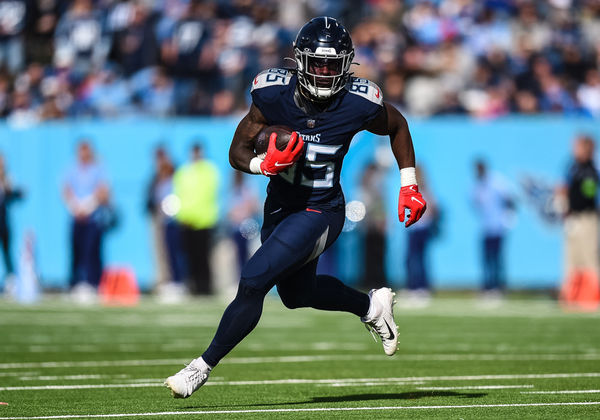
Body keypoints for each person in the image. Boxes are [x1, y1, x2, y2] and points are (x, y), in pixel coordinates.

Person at [165, 16, 427, 398]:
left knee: (254, 279)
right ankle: (371, 306)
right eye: (317, 63)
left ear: (346, 65)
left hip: (321, 209)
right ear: (300, 61)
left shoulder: (358, 102)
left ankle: (200, 367)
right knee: (295, 295)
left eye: (332, 65)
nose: (323, 73)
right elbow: (237, 150)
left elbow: (398, 126)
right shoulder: (271, 95)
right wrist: (261, 165)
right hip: (280, 207)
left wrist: (409, 184)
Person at [556, 134, 600, 307]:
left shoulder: (590, 170)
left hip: (586, 218)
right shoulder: (573, 167)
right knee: (571, 259)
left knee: (589, 257)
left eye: (578, 146)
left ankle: (594, 295)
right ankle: (571, 295)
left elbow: (588, 196)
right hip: (573, 218)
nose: (574, 150)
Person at [62, 140, 111, 292]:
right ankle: (75, 283)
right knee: (75, 252)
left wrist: (88, 205)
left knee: (92, 252)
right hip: (76, 216)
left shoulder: (98, 169)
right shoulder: (72, 169)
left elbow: (103, 191)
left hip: (93, 218)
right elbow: (66, 189)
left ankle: (93, 283)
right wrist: (75, 206)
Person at [173, 143, 219, 295]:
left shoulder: (209, 170)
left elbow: (206, 195)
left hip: (204, 221)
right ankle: (193, 287)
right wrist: (182, 216)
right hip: (187, 221)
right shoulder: (183, 172)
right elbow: (179, 195)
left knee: (203, 257)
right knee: (190, 257)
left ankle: (205, 288)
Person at [471, 159, 515, 295]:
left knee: (497, 259)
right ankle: (487, 287)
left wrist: (508, 217)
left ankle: (498, 287)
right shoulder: (477, 186)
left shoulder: (496, 181)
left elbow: (510, 198)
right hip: (486, 227)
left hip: (498, 227)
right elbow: (476, 203)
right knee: (486, 259)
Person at [0, 153, 23, 285]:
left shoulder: (7, 178)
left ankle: (10, 281)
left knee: (7, 252)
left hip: (3, 222)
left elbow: (11, 195)